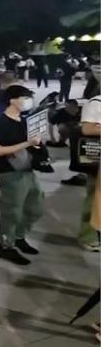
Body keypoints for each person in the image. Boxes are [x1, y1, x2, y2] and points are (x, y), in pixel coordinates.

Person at [0, 85, 45, 265]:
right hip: (9, 173)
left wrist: (35, 145)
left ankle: (19, 236)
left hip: (28, 170)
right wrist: (26, 143)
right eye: (25, 97)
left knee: (35, 207)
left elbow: (29, 145)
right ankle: (6, 246)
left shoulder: (24, 122)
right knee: (11, 211)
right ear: (12, 100)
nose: (27, 101)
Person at [78, 94, 100, 251]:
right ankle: (88, 235)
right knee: (94, 197)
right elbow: (87, 129)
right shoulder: (96, 103)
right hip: (97, 158)